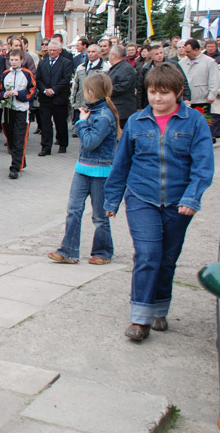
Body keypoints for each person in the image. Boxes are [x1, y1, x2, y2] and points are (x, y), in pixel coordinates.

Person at [104, 63, 214, 342]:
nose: (157, 99)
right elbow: (121, 163)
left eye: (164, 93)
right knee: (147, 256)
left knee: (166, 260)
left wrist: (192, 197)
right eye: (153, 92)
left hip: (179, 203)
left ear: (178, 93)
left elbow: (203, 166)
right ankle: (140, 319)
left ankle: (159, 310)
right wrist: (112, 198)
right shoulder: (136, 122)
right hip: (142, 198)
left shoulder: (195, 122)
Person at [48, 72, 119, 265]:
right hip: (83, 168)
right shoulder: (93, 112)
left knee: (99, 215)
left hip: (100, 171)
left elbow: (89, 142)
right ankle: (68, 250)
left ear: (92, 91)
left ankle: (103, 252)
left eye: (86, 90)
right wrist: (83, 120)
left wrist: (81, 121)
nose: (83, 93)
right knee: (73, 210)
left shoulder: (104, 115)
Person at [0, 49, 36, 179]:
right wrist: (4, 95)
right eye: (11, 59)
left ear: (21, 60)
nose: (13, 62)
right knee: (10, 137)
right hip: (8, 109)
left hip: (21, 110)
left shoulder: (27, 74)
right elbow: (0, 89)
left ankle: (15, 166)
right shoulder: (5, 74)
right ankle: (20, 159)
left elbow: (32, 90)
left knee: (19, 137)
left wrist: (19, 94)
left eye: (16, 60)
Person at [35, 39, 73, 155]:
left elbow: (66, 79)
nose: (51, 52)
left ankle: (63, 144)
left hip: (59, 98)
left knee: (60, 123)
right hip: (45, 98)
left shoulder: (66, 63)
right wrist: (44, 89)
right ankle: (46, 147)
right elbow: (38, 78)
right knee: (46, 123)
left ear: (59, 51)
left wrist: (54, 90)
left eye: (54, 50)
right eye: (50, 50)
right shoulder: (43, 62)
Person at [136, 42, 191, 110]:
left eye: (161, 53)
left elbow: (183, 81)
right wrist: (139, 106)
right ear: (151, 56)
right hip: (151, 102)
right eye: (156, 54)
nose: (159, 55)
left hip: (171, 98)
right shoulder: (146, 69)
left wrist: (187, 98)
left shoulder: (173, 65)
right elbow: (141, 88)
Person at [71, 44, 107, 133]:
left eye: (93, 52)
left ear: (99, 53)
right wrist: (73, 101)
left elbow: (106, 88)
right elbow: (75, 85)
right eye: (89, 52)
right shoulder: (81, 67)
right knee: (81, 131)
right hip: (81, 104)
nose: (90, 54)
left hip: (96, 105)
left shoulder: (105, 68)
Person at [179, 38, 220, 114]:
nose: (186, 54)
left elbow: (214, 80)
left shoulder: (210, 62)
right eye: (185, 51)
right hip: (186, 100)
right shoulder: (181, 63)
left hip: (203, 100)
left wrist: (212, 95)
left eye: (189, 52)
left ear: (197, 49)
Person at [106, 45, 137, 128]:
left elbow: (121, 87)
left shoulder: (126, 68)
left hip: (122, 110)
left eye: (110, 54)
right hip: (116, 108)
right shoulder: (116, 67)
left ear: (114, 55)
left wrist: (104, 91)